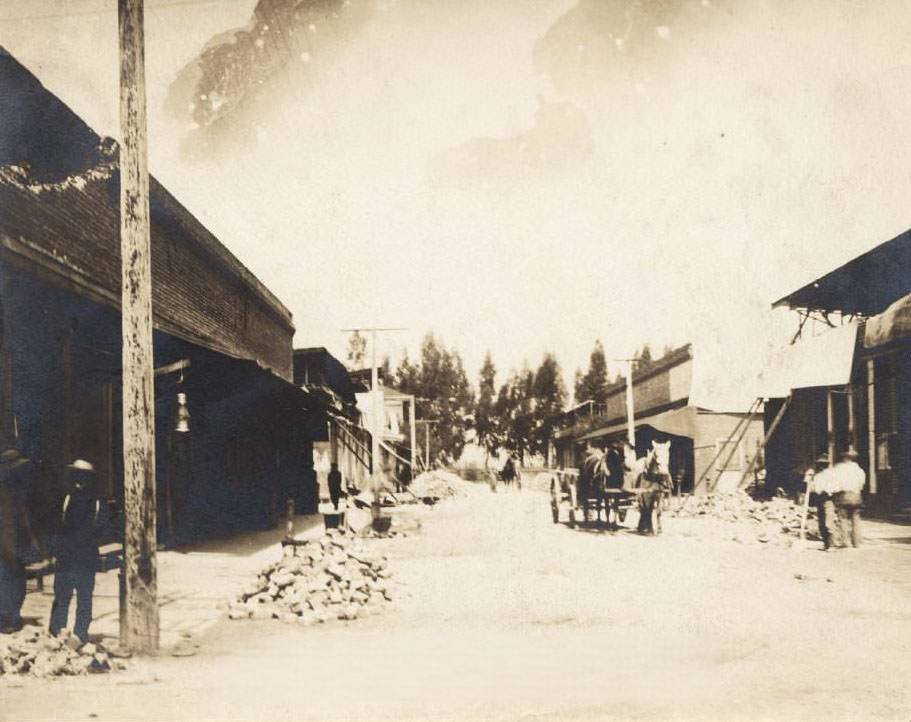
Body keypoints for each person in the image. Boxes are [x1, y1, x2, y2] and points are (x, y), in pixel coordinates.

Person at [49, 459, 102, 641]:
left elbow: (102, 528)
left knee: (84, 598)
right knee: (62, 596)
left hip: (84, 557)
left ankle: (80, 634)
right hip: (67, 556)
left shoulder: (96, 501)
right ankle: (57, 631)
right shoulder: (67, 497)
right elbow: (58, 526)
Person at [0, 447, 38, 633]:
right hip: (6, 549)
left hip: (16, 548)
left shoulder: (17, 494)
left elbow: (22, 521)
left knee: (17, 585)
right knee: (8, 584)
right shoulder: (5, 495)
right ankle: (6, 619)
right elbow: (7, 525)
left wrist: (30, 543)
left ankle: (12, 617)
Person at [807, 453, 844, 551]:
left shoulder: (831, 475)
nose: (821, 466)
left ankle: (833, 544)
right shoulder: (816, 476)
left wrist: (829, 490)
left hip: (828, 500)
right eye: (820, 464)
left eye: (823, 464)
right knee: (821, 524)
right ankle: (826, 543)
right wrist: (808, 478)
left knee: (828, 523)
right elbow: (810, 488)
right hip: (819, 500)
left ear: (827, 464)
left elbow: (837, 487)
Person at [832, 449, 865, 548]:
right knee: (856, 519)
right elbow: (862, 484)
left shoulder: (839, 469)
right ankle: (856, 542)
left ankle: (845, 542)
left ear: (844, 458)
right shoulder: (859, 470)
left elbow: (836, 484)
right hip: (856, 496)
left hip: (844, 495)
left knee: (843, 519)